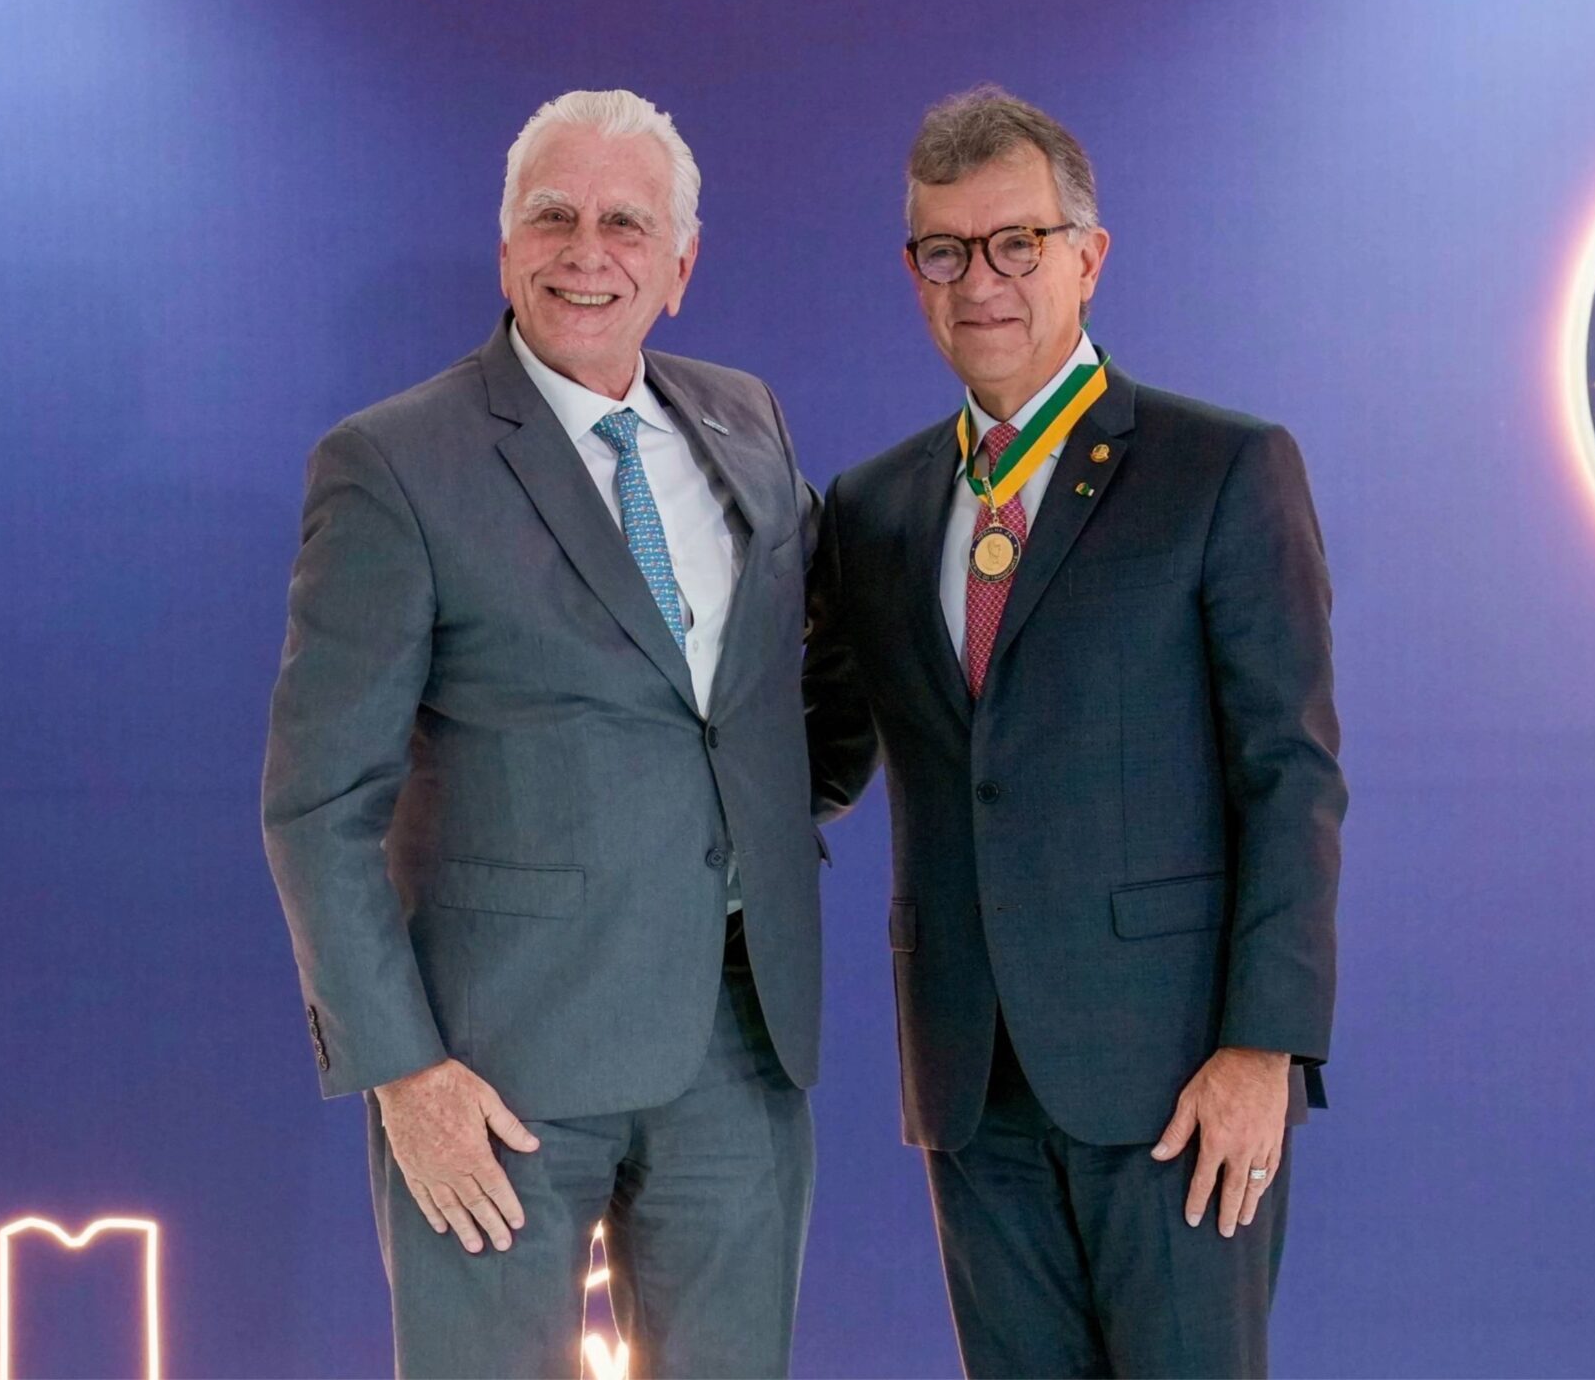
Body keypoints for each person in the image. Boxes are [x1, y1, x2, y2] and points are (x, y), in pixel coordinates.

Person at [262, 88, 821, 1378]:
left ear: (680, 267)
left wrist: (770, 819)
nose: (587, 252)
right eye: (553, 216)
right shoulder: (393, 462)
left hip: (738, 1049)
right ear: (506, 243)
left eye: (626, 224)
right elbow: (317, 805)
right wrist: (404, 1074)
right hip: (493, 1072)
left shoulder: (745, 420)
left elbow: (780, 695)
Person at [804, 86, 1345, 1378]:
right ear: (914, 275)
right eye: (946, 251)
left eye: (1017, 243)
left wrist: (1263, 1048)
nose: (981, 281)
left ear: (1088, 257)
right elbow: (817, 755)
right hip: (969, 1082)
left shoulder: (1221, 469)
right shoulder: (871, 511)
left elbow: (1289, 777)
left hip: (1179, 1087)